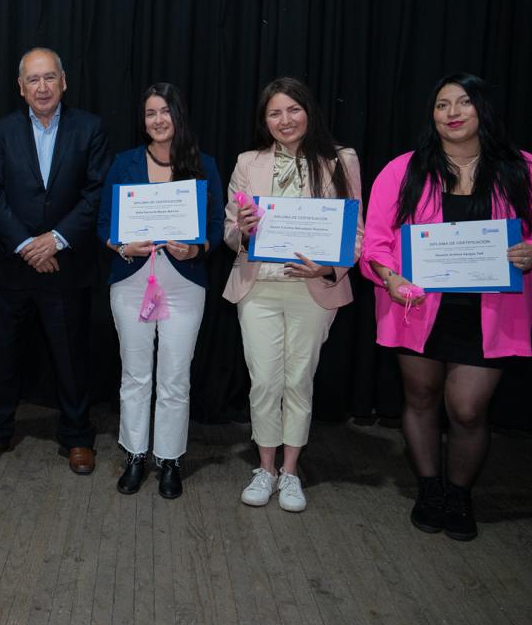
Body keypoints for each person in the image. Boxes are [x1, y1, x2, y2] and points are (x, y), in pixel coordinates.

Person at [362, 73, 532, 541]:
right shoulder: (404, 170)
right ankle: (430, 488)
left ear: (482, 109)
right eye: (442, 105)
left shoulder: (521, 168)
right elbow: (375, 242)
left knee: (468, 409)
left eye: (463, 102)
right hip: (416, 307)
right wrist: (390, 277)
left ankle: (460, 493)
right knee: (419, 398)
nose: (452, 113)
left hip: (490, 313)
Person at [223, 77, 363, 513]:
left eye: (293, 109)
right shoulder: (248, 162)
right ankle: (265, 468)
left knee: (298, 380)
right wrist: (244, 232)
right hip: (259, 287)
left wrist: (328, 267)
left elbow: (356, 231)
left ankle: (290, 471)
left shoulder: (341, 160)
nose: (285, 120)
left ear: (308, 111)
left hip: (311, 288)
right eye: (275, 113)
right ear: (264, 120)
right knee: (265, 380)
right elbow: (229, 229)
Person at [0, 47, 108, 475]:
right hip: (13, 266)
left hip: (67, 264)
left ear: (64, 82)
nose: (42, 87)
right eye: (33, 79)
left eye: (50, 77)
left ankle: (77, 436)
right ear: (21, 87)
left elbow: (95, 192)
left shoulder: (90, 128)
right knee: (4, 356)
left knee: (71, 359)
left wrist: (56, 240)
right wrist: (27, 245)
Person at [97, 83, 222, 498]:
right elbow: (104, 224)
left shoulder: (203, 164)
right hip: (132, 282)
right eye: (150, 113)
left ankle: (170, 459)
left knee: (175, 377)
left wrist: (196, 248)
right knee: (135, 375)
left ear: (178, 115)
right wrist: (122, 246)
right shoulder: (124, 163)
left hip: (184, 285)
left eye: (165, 111)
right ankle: (135, 454)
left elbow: (216, 227)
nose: (158, 120)